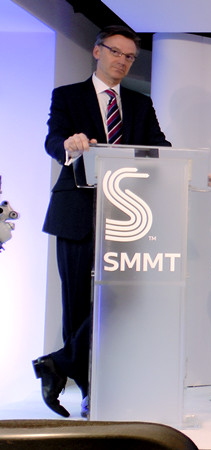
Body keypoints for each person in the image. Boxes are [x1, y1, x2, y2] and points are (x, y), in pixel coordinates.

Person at [34, 25, 171, 418]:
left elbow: (159, 145)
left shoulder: (140, 103)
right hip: (76, 213)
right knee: (77, 303)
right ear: (97, 51)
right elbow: (53, 140)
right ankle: (90, 392)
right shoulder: (68, 96)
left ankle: (58, 364)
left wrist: (188, 169)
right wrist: (68, 144)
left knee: (121, 300)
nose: (122, 61)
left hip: (126, 214)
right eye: (115, 52)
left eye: (129, 57)